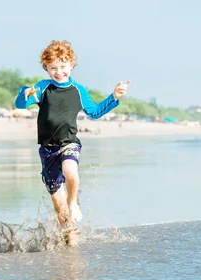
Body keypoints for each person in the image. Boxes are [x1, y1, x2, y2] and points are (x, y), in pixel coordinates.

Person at [15, 40, 130, 246]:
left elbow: (94, 112)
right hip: (48, 149)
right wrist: (24, 94)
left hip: (69, 143)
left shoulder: (78, 90)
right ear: (47, 69)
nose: (59, 72)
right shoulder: (42, 88)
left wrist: (114, 97)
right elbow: (21, 104)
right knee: (58, 204)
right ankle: (70, 233)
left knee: (71, 172)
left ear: (71, 64)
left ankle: (74, 202)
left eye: (63, 66)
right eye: (53, 68)